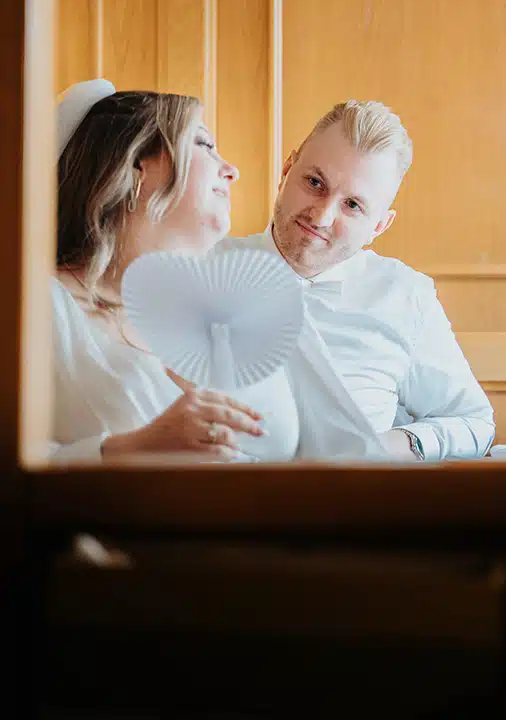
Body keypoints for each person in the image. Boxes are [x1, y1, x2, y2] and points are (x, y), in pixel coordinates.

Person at [52, 80, 389, 463]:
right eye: (204, 146)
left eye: (354, 205)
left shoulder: (225, 311)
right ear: (136, 167)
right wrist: (128, 450)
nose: (231, 170)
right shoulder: (41, 308)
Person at [221, 100, 495, 462]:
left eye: (352, 205)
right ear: (287, 171)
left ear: (380, 225)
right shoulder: (198, 267)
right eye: (315, 183)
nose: (321, 216)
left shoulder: (406, 295)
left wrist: (390, 447)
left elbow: (474, 422)